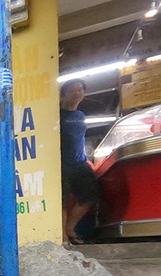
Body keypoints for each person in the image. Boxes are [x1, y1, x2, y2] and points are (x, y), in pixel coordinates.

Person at [59, 79, 99, 244]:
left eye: (80, 90)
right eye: (72, 90)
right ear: (64, 94)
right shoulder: (56, 115)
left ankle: (70, 227)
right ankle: (62, 236)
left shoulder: (81, 115)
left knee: (90, 196)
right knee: (62, 201)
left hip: (80, 163)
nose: (77, 93)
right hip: (62, 164)